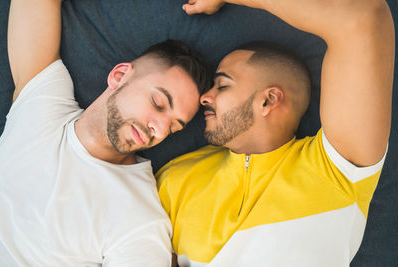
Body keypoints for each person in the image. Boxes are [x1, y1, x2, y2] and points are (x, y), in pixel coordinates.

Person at [157, 0, 395, 266]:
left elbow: (364, 17)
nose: (205, 97)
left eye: (222, 85)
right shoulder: (175, 178)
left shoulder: (338, 172)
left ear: (269, 100)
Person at [0, 0, 211, 266]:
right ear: (120, 75)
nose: (159, 128)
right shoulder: (44, 105)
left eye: (174, 126)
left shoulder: (140, 220)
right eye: (158, 103)